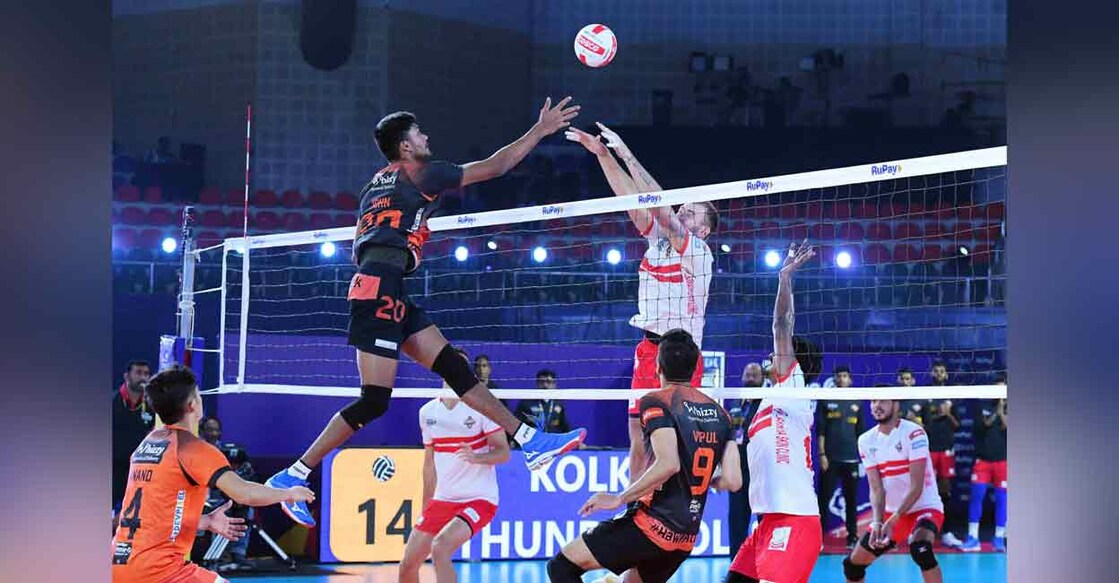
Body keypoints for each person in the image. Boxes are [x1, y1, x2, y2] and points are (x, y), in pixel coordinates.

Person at [267, 100, 588, 527]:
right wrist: (539, 130)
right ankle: (295, 472)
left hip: (386, 285)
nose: (427, 139)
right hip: (378, 289)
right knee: (374, 401)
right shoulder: (423, 172)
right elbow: (496, 166)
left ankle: (530, 440)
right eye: (419, 134)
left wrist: (406, 253)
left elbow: (359, 245)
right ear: (404, 145)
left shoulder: (373, 185)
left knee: (454, 366)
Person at [565, 123, 717, 490]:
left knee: (676, 441)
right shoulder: (657, 240)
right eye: (685, 206)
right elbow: (632, 199)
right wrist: (603, 155)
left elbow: (658, 205)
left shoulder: (698, 251)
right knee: (638, 436)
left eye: (693, 212)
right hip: (648, 349)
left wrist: (626, 152)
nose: (684, 211)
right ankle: (635, 509)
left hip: (681, 356)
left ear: (706, 230)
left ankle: (675, 508)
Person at [546, 329, 741, 583]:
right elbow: (733, 481)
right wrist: (700, 481)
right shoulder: (722, 414)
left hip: (650, 528)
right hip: (684, 538)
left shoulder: (656, 401)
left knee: (561, 567)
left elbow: (668, 463)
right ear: (695, 370)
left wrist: (619, 498)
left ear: (658, 367)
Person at [111, 366, 314, 583]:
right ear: (192, 405)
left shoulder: (149, 442)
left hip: (118, 565)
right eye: (198, 395)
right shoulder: (196, 449)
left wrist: (205, 521)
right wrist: (289, 493)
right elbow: (244, 493)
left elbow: (154, 515)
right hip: (160, 571)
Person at [726, 241, 822, 583]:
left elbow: (782, 325)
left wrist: (784, 278)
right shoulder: (772, 399)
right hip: (768, 521)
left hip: (794, 520)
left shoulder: (792, 385)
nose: (771, 355)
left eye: (778, 354)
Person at [399, 349, 510, 583]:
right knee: (408, 564)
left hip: (480, 499)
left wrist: (477, 457)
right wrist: (426, 506)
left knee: (440, 548)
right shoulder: (427, 412)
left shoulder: (483, 406)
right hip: (444, 499)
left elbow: (503, 452)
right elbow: (429, 464)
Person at [841, 398, 945, 583]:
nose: (876, 406)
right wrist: (878, 522)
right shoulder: (866, 440)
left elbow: (916, 487)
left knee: (921, 549)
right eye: (873, 401)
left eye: (883, 401)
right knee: (852, 566)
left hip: (924, 507)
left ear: (896, 405)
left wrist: (892, 520)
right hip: (892, 514)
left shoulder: (914, 433)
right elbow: (876, 489)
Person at [816, 365, 864, 548]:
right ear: (835, 379)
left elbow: (861, 433)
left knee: (851, 500)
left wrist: (862, 459)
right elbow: (820, 430)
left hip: (851, 459)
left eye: (845, 376)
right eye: (839, 376)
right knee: (823, 499)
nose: (842, 379)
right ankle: (818, 537)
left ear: (850, 379)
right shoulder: (826, 399)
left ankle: (852, 537)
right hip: (831, 459)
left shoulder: (857, 400)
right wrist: (822, 454)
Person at [960, 373, 1008, 553]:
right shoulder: (983, 406)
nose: (999, 391)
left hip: (1002, 461)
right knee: (976, 497)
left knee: (1003, 499)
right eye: (997, 388)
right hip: (982, 461)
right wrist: (997, 409)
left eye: (1003, 388)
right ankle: (973, 538)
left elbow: (1007, 426)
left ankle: (999, 539)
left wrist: (1002, 408)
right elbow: (984, 426)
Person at [728, 362, 764, 553]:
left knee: (764, 522)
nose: (750, 378)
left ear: (762, 379)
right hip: (738, 471)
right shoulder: (736, 402)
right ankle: (735, 568)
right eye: (747, 374)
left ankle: (766, 566)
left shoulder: (766, 402)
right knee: (736, 523)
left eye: (754, 375)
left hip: (759, 471)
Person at [113, 360, 154, 520]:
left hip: (137, 470)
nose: (143, 377)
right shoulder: (112, 401)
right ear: (126, 376)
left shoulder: (152, 407)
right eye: (138, 373)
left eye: (146, 374)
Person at [513, 369, 570, 434]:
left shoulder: (558, 404)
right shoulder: (526, 403)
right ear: (537, 383)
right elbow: (516, 425)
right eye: (542, 382)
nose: (545, 385)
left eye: (548, 382)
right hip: (533, 442)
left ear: (554, 384)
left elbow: (565, 427)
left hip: (552, 441)